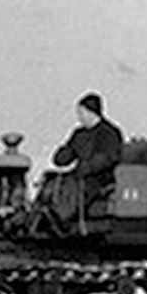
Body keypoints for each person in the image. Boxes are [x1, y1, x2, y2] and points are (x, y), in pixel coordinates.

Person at [44, 93, 125, 232]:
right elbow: (67, 154)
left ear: (91, 112)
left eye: (81, 113)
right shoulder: (79, 134)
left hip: (100, 177)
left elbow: (108, 158)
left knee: (75, 188)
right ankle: (43, 213)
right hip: (79, 173)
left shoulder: (109, 133)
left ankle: (62, 219)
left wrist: (87, 167)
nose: (79, 117)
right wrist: (62, 155)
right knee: (51, 180)